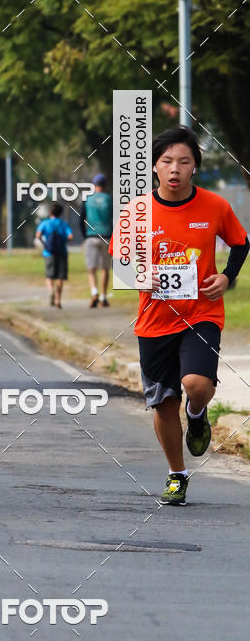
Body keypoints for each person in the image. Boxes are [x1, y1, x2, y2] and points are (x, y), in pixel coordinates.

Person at [111, 126, 248, 506]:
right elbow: (121, 265)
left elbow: (240, 243)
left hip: (201, 313)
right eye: (167, 161)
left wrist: (226, 276)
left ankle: (199, 411)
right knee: (163, 403)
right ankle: (176, 474)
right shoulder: (136, 211)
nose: (175, 169)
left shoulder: (214, 206)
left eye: (184, 162)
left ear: (194, 168)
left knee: (196, 383)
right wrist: (142, 275)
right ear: (154, 166)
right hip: (154, 320)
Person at [80, 173, 112, 307]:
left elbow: (81, 219)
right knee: (105, 268)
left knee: (91, 269)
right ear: (105, 186)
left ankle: (94, 293)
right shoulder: (110, 199)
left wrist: (85, 236)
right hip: (106, 236)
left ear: (94, 185)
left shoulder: (87, 199)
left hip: (91, 236)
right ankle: (104, 297)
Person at [35, 202, 73, 308]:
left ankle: (51, 290)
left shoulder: (45, 223)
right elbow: (70, 236)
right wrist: (63, 242)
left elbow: (38, 235)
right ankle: (58, 300)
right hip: (62, 253)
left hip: (48, 253)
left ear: (50, 212)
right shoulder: (63, 224)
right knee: (60, 277)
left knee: (49, 275)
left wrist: (45, 245)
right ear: (60, 213)